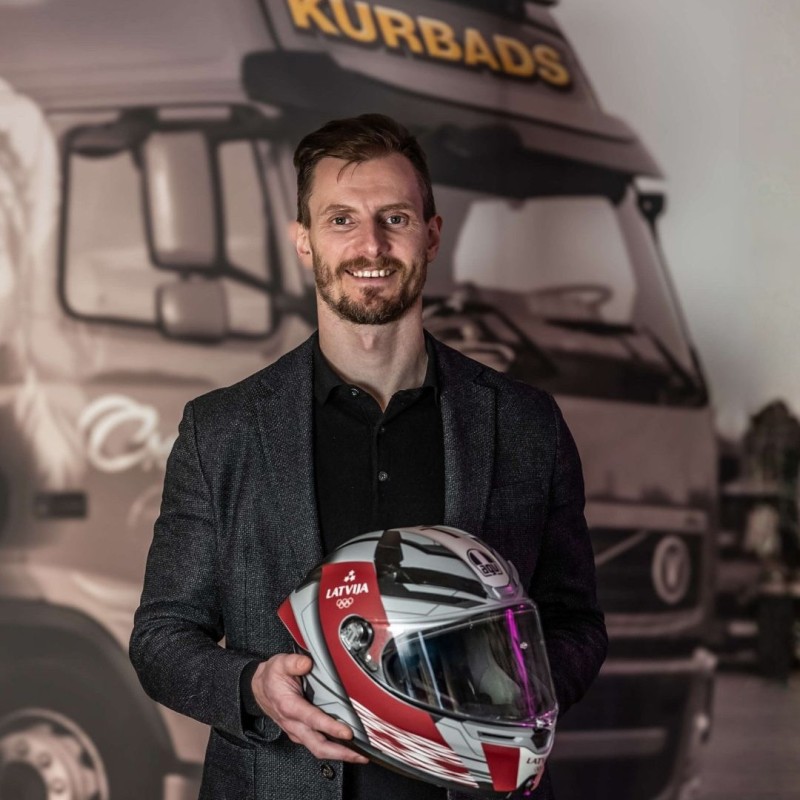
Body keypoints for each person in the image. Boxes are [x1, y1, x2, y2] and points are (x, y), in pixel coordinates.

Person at [130, 113, 607, 800]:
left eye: (395, 218)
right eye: (341, 220)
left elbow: (576, 623)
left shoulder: (526, 424)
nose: (371, 245)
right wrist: (253, 687)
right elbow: (162, 637)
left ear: (431, 234)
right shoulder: (222, 430)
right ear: (303, 240)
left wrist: (509, 688)